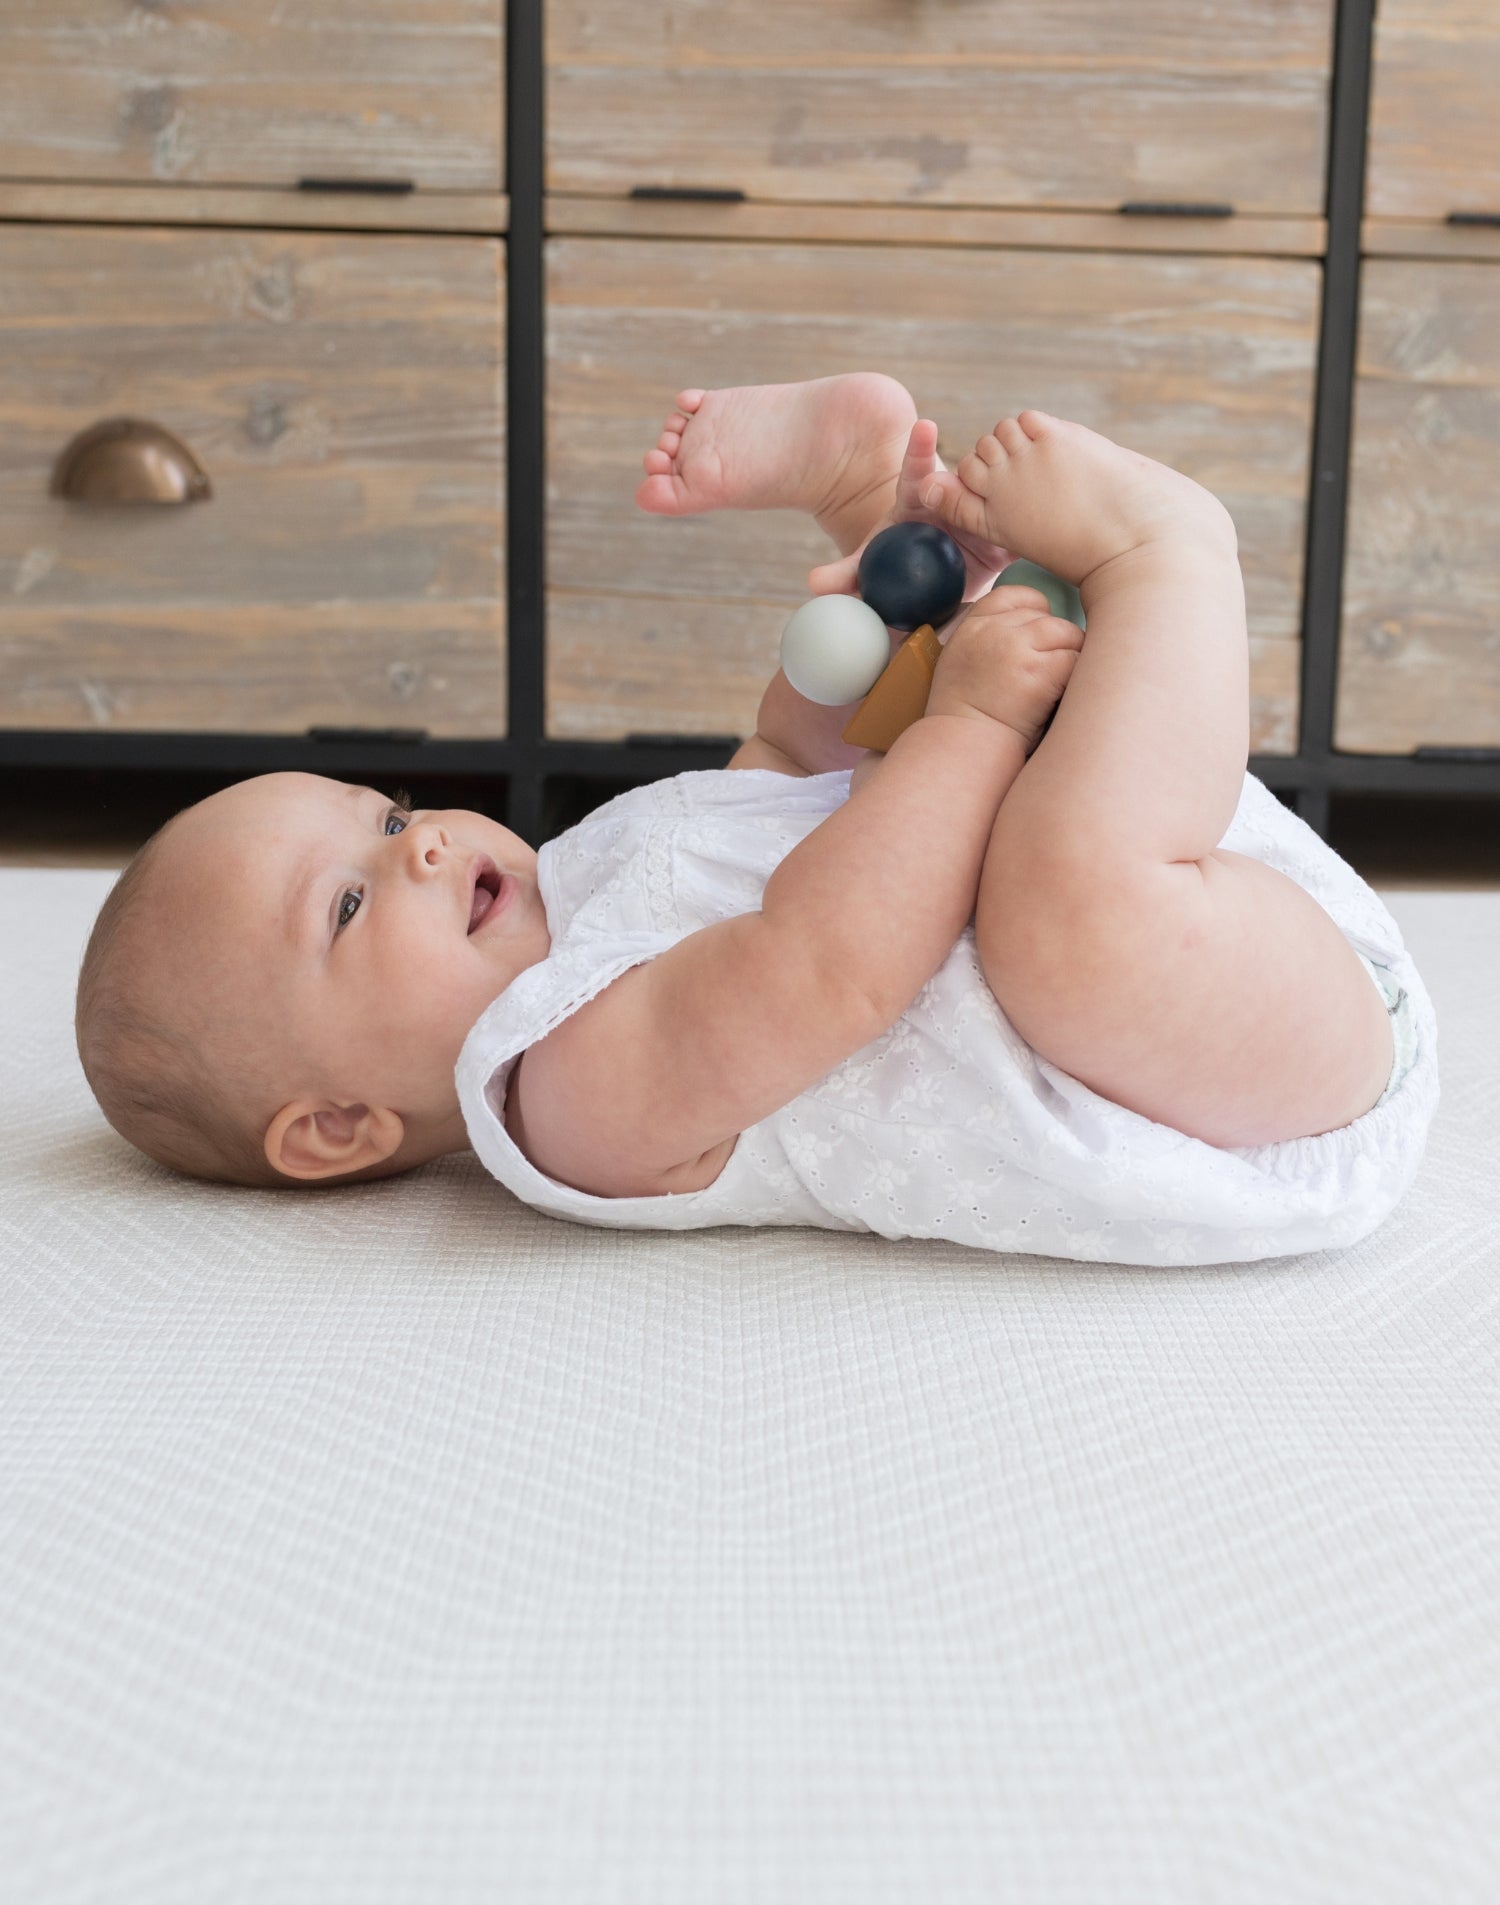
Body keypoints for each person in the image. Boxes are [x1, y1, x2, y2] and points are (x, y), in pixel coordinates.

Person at [74, 375, 1435, 1266]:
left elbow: (783, 771)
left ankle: (876, 512)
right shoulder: (566, 1099)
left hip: (1205, 927)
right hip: (1247, 1078)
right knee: (1056, 916)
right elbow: (829, 958)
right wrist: (962, 723)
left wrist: (874, 631)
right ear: (336, 1126)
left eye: (389, 814)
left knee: (933, 781)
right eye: (353, 903)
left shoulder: (584, 880)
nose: (418, 844)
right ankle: (1170, 552)